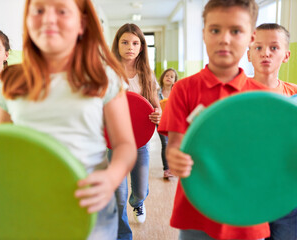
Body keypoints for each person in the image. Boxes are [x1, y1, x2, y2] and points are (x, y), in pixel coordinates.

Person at [0, 0, 137, 239]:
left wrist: (111, 177)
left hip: (88, 210)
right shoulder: (12, 82)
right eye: (39, 10)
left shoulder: (102, 76)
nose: (48, 18)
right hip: (29, 206)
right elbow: (2, 152)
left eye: (62, 11)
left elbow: (125, 145)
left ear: (82, 23)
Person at [158, 0, 271, 239]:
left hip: (247, 208)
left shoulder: (263, 97)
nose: (224, 39)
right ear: (203, 34)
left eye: (236, 31)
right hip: (198, 206)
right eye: (215, 30)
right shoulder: (183, 89)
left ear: (251, 38)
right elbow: (175, 146)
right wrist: (176, 159)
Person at [110, 23, 161, 239]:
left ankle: (138, 202)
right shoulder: (108, 73)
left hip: (141, 142)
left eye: (135, 43)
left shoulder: (146, 74)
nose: (130, 47)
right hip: (115, 142)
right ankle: (124, 235)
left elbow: (155, 104)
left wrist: (158, 113)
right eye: (125, 42)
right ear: (117, 44)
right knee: (118, 195)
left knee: (139, 190)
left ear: (141, 47)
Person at [248, 23, 297, 240]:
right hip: (248, 191)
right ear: (248, 54)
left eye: (274, 47)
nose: (265, 52)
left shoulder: (294, 94)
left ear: (286, 55)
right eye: (258, 47)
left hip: (288, 196)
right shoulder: (232, 95)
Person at [157, 68, 178, 179]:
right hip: (160, 121)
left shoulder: (176, 92)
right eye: (167, 75)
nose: (169, 78)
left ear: (174, 80)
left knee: (173, 144)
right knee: (165, 143)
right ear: (163, 78)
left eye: (171, 76)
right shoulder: (156, 92)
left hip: (173, 121)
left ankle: (173, 166)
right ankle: (167, 169)